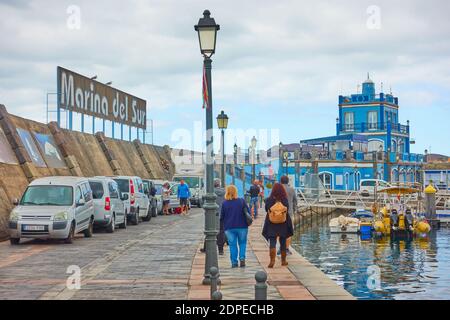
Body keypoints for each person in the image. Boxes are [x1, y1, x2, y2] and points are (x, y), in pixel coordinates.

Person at [262, 183, 293, 268]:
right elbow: (287, 209)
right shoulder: (284, 200)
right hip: (283, 223)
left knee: (272, 241)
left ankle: (272, 260)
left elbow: (266, 209)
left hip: (271, 223)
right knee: (283, 241)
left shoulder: (269, 200)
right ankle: (283, 261)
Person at [221, 185, 250, 268]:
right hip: (242, 226)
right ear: (236, 192)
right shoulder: (241, 201)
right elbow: (248, 213)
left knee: (232, 245)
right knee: (242, 243)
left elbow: (222, 216)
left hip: (229, 227)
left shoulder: (224, 203)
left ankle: (234, 262)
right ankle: (242, 257)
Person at [200, 179, 226, 255]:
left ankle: (206, 248)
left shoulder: (210, 192)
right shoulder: (224, 192)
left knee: (209, 230)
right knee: (221, 231)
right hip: (222, 214)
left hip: (211, 214)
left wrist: (205, 208)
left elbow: (203, 202)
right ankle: (221, 250)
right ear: (219, 184)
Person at [280, 175, 297, 255]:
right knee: (289, 232)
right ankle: (287, 248)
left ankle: (281, 248)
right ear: (288, 181)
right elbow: (295, 201)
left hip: (279, 213)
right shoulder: (292, 190)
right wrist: (294, 210)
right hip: (289, 213)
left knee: (280, 231)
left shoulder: (278, 189)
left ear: (281, 181)